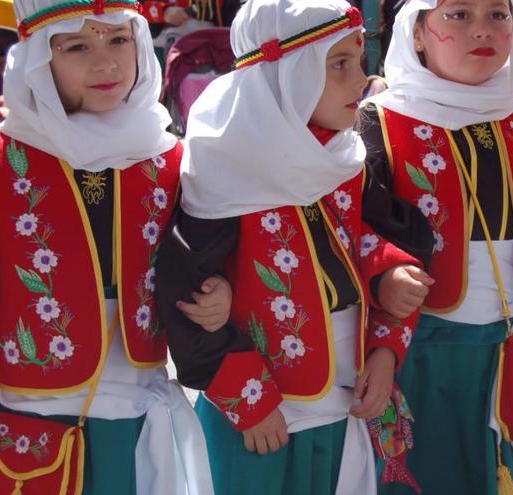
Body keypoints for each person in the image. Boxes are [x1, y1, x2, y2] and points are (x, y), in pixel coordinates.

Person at [0, 1, 230, 493]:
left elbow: (201, 255)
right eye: (77, 46)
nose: (106, 63)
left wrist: (220, 291)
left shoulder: (172, 159)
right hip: (34, 421)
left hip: (138, 415)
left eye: (119, 39)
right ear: (37, 58)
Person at [155, 0, 434, 493]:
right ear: (284, 75)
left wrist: (387, 287)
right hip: (262, 414)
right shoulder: (221, 169)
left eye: (359, 60)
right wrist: (245, 395)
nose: (359, 81)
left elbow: (361, 240)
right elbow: (185, 294)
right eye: (338, 65)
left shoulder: (344, 158)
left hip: (344, 399)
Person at [360, 0, 513, 493]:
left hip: (511, 349)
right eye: (459, 15)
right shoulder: (378, 123)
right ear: (417, 33)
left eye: (498, 15)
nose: (482, 30)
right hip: (419, 352)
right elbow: (360, 228)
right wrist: (385, 276)